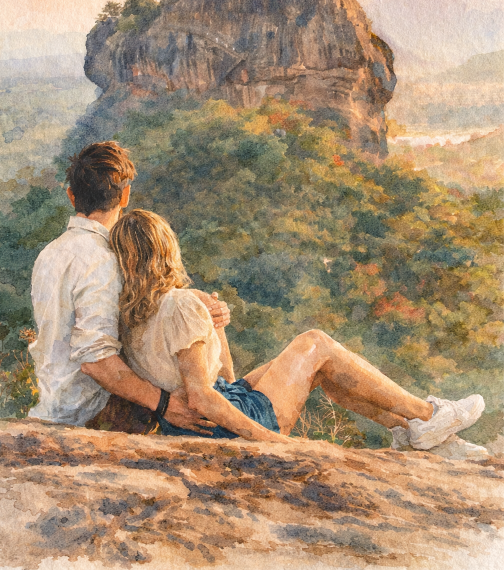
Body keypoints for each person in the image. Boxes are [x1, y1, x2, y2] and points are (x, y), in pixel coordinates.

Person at [111, 209, 485, 449]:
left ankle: (410, 431)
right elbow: (202, 397)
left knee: (311, 362)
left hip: (202, 419)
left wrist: (216, 327)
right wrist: (273, 442)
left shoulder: (131, 315)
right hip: (225, 423)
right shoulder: (181, 304)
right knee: (315, 343)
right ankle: (425, 415)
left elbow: (225, 377)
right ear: (167, 250)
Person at [28, 141, 230, 433]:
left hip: (54, 405)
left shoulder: (49, 253)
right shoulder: (106, 259)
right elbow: (96, 361)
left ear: (72, 196)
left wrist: (198, 301)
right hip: (93, 413)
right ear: (125, 195)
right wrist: (164, 404)